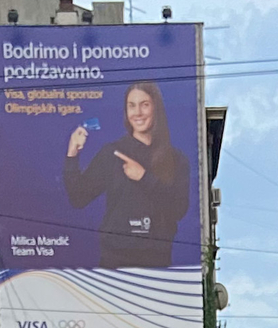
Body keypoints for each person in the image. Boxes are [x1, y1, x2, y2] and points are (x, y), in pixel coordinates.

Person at [63, 82, 192, 270]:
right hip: (114, 264)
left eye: (144, 104)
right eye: (131, 105)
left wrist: (144, 178)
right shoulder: (112, 153)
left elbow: (179, 210)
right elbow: (78, 197)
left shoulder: (177, 159)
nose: (137, 112)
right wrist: (72, 154)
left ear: (156, 108)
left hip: (158, 264)